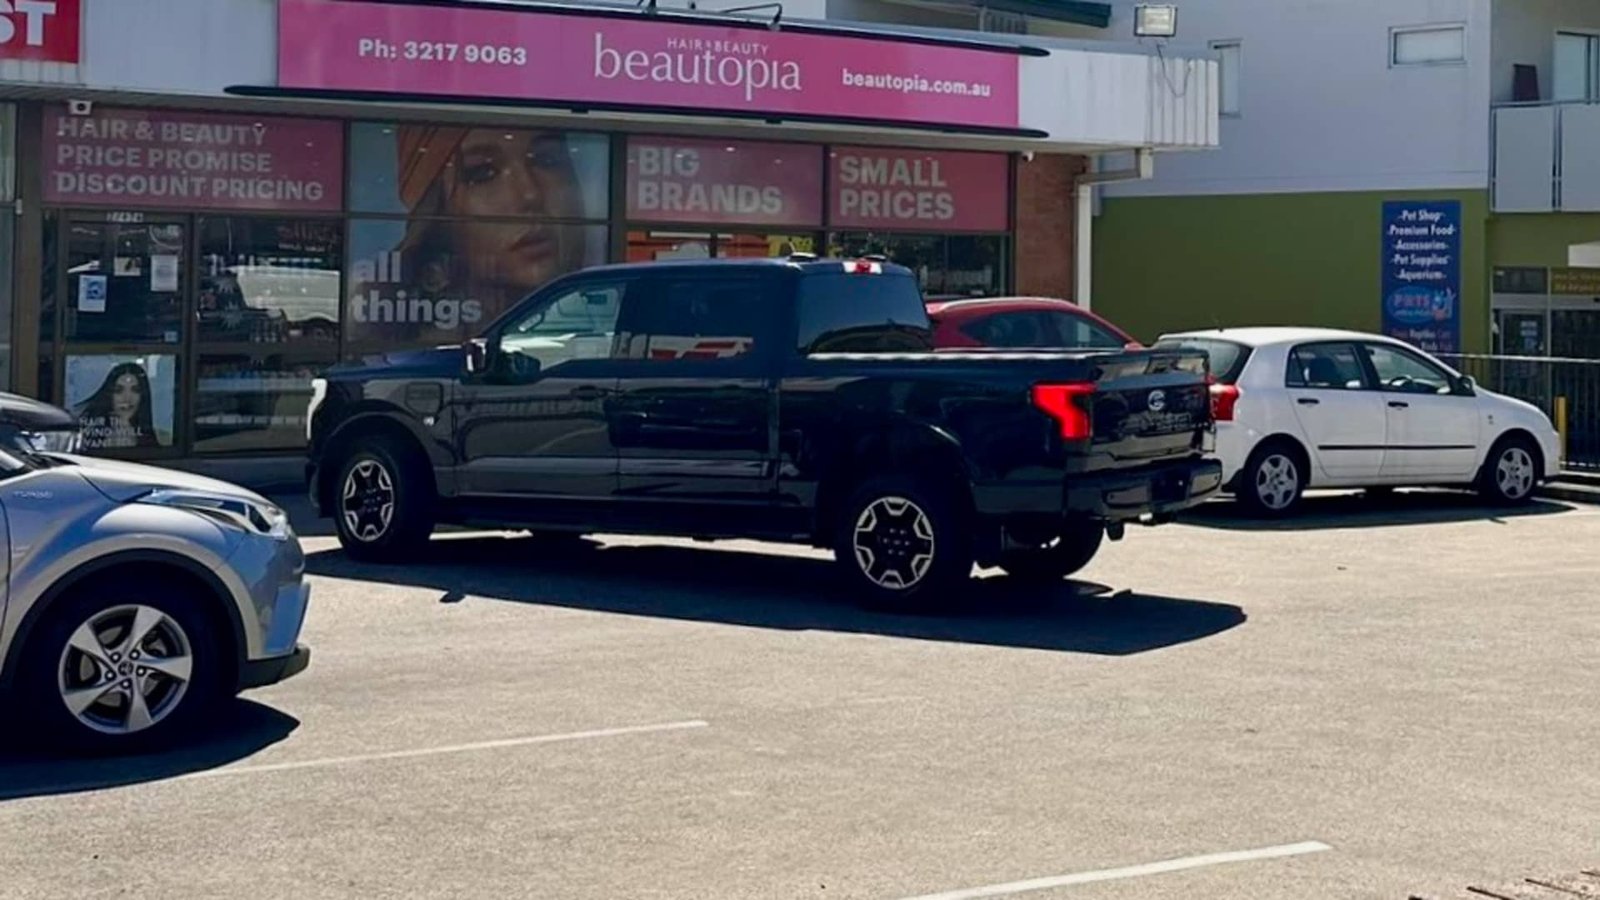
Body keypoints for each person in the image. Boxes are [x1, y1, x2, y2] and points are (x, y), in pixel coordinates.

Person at [351, 126, 597, 346]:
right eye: (483, 173)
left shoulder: (605, 324)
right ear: (438, 213)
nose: (529, 194)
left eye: (547, 160)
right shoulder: (429, 353)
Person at [75, 361, 161, 450]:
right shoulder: (87, 431)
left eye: (135, 390)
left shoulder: (152, 437)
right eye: (118, 390)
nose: (127, 397)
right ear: (109, 395)